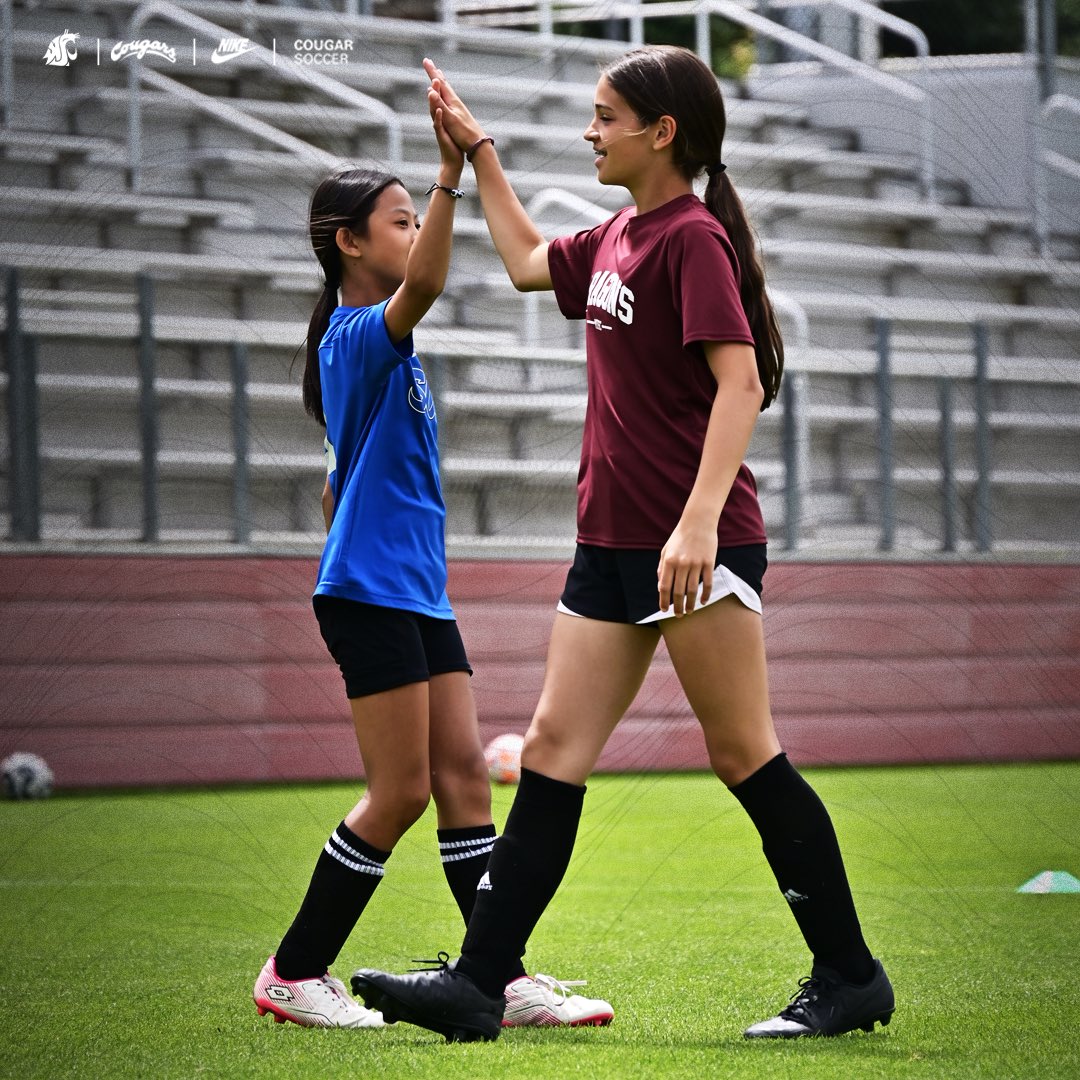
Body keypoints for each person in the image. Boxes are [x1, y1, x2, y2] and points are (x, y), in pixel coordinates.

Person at [351, 46, 895, 1043]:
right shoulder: (616, 238)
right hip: (610, 546)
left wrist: (695, 525)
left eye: (605, 117)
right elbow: (523, 263)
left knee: (743, 754)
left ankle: (851, 975)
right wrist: (475, 157)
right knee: (554, 751)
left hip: (694, 540)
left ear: (662, 132)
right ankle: (480, 985)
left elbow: (741, 385)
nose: (591, 132)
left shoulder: (690, 240)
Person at [252, 95, 612, 1032]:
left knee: (460, 781)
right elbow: (429, 287)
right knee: (401, 791)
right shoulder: (357, 332)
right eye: (401, 220)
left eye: (420, 216)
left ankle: (493, 974)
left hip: (415, 594)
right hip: (370, 594)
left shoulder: (388, 351)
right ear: (347, 245)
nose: (416, 232)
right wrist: (453, 171)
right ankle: (294, 970)